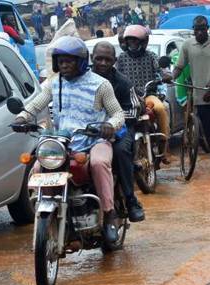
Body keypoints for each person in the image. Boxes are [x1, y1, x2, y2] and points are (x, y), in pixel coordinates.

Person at [14, 36, 144, 239]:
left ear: (81, 61)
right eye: (61, 61)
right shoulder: (53, 83)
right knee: (38, 167)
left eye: (69, 61)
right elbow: (37, 103)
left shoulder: (100, 85)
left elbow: (118, 114)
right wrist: (22, 117)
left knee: (100, 163)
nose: (64, 65)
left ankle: (109, 214)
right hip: (63, 143)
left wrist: (109, 126)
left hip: (94, 141)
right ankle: (46, 212)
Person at [90, 42, 144, 222]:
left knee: (120, 151)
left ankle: (131, 200)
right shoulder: (82, 80)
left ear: (114, 61)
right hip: (87, 130)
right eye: (99, 59)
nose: (103, 63)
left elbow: (135, 110)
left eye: (108, 59)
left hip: (121, 129)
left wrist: (112, 123)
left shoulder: (123, 82)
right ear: (92, 59)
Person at [174, 16, 210, 171]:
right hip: (201, 95)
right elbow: (179, 66)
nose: (199, 32)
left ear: (207, 28)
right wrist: (171, 77)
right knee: (207, 129)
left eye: (202, 29)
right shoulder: (187, 45)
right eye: (196, 29)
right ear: (193, 30)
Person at [116, 25, 172, 163]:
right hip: (128, 97)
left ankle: (162, 147)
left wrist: (166, 75)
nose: (132, 44)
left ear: (143, 42)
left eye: (135, 41)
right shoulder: (121, 58)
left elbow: (161, 70)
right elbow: (115, 74)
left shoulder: (151, 56)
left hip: (148, 95)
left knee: (161, 108)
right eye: (130, 41)